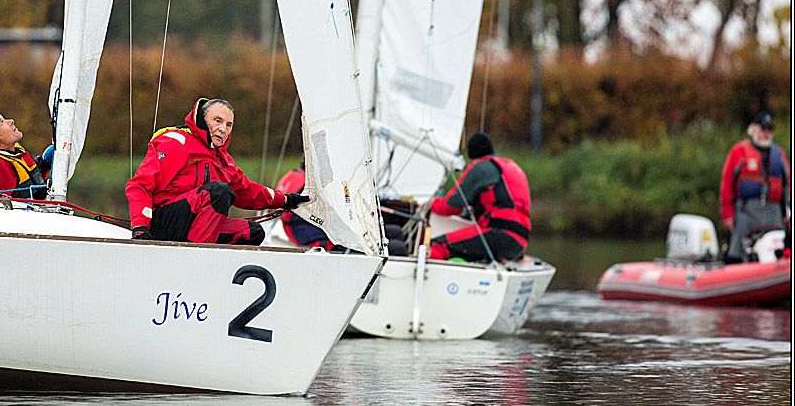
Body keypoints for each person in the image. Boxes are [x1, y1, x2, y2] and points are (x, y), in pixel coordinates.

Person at [126, 97, 309, 245]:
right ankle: (198, 259)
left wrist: (285, 200)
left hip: (193, 229)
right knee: (219, 191)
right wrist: (140, 227)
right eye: (218, 121)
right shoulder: (175, 142)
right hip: (162, 223)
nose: (223, 129)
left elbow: (249, 190)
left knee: (253, 232)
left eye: (229, 125)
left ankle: (216, 274)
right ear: (203, 121)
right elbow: (140, 185)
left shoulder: (223, 161)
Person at [428, 132, 531, 263]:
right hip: (519, 244)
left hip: (498, 234)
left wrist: (430, 204)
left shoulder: (481, 167)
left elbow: (450, 207)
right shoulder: (514, 168)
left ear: (472, 156)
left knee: (438, 246)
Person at [276, 162, 408, 255]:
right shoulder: (313, 185)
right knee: (397, 246)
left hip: (301, 234)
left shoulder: (292, 176)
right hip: (320, 240)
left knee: (395, 232)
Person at [719, 112, 791, 263]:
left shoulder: (779, 154)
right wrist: (727, 214)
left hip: (772, 212)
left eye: (769, 129)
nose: (766, 133)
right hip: (746, 210)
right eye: (763, 128)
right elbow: (727, 185)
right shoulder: (739, 152)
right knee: (736, 252)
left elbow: (787, 185)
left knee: (779, 249)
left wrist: (786, 211)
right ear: (753, 130)